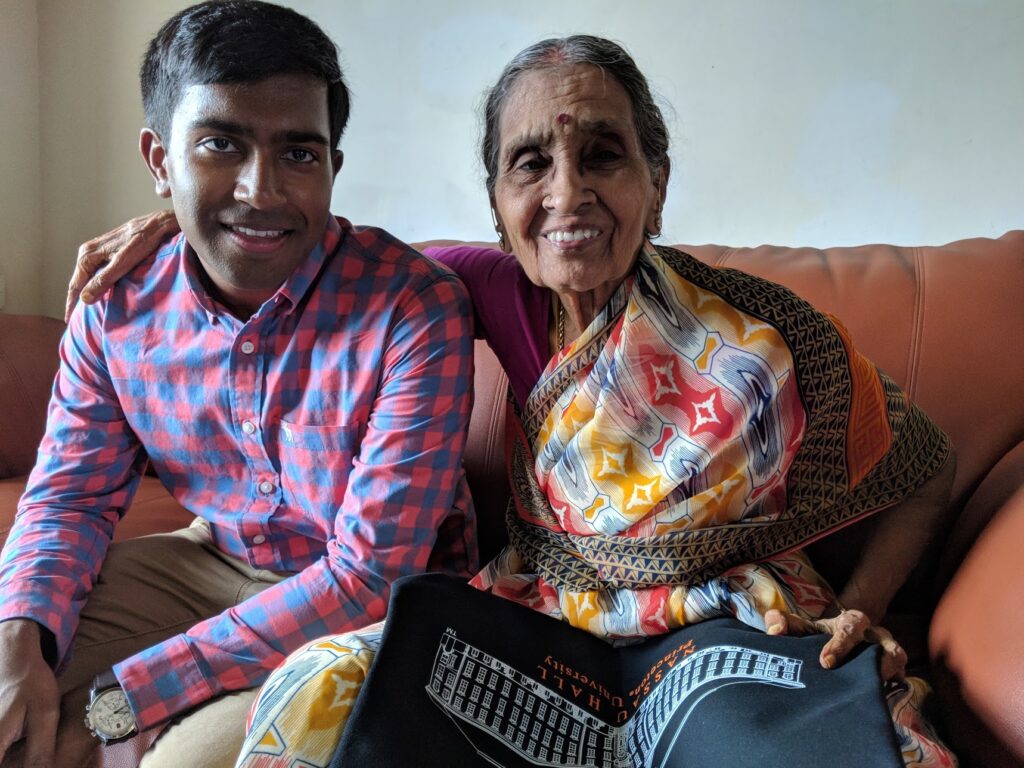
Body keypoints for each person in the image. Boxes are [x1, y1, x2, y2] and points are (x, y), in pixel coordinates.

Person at [66, 35, 957, 768]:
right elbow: (303, 246)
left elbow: (926, 467)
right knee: (327, 691)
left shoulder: (762, 335)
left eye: (602, 154)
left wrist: (865, 604)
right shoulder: (465, 286)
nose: (566, 194)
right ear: (497, 205)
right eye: (530, 163)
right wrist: (176, 224)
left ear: (658, 179)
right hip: (537, 610)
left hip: (730, 616)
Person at [0, 3, 476, 767]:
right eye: (221, 143)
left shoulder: (412, 307)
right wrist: (17, 641)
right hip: (208, 559)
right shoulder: (117, 305)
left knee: (179, 761)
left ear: (331, 169)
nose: (262, 191)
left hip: (375, 608)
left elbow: (371, 575)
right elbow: (68, 497)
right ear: (160, 161)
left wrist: (128, 698)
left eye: (298, 153)